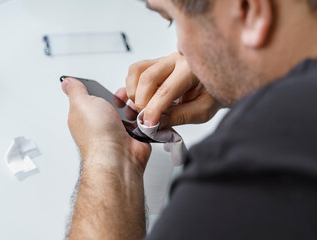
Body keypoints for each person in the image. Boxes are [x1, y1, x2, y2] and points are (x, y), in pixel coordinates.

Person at [61, 0, 317, 239]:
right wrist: (235, 66)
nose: (181, 50)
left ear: (249, 10)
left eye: (174, 19)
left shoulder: (249, 168)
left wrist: (109, 158)